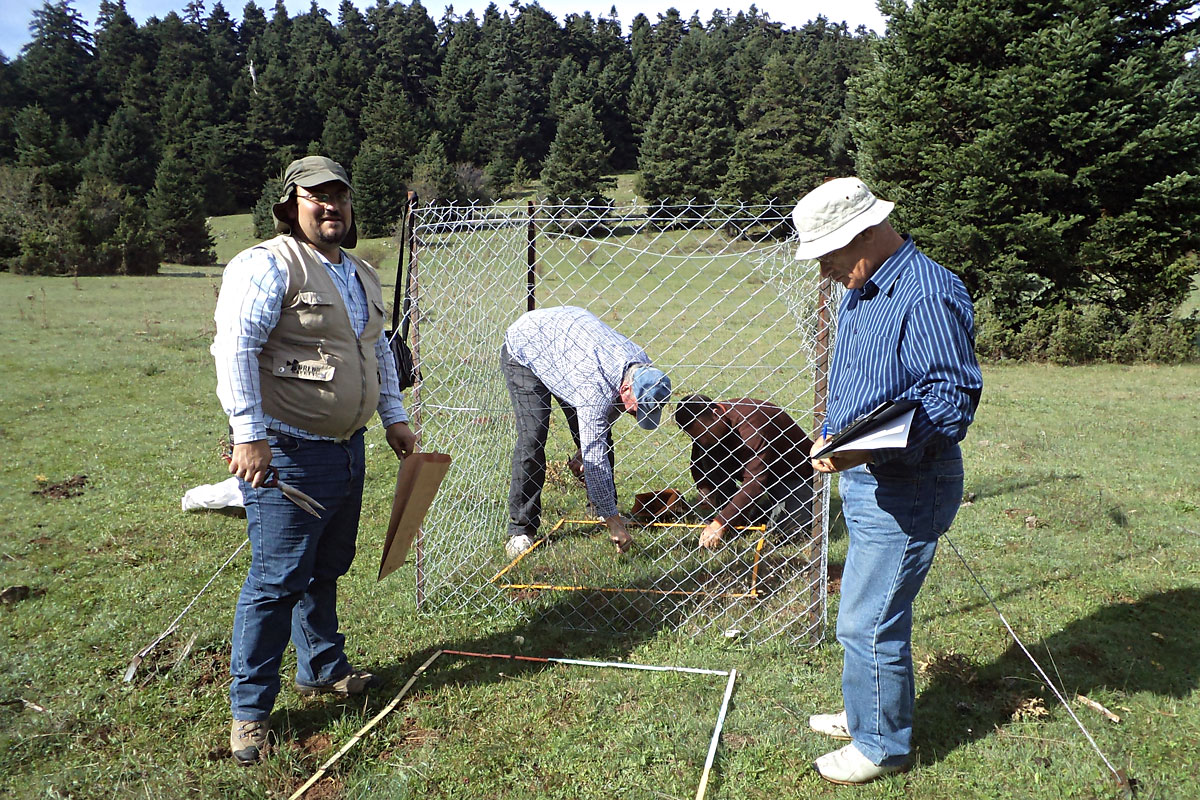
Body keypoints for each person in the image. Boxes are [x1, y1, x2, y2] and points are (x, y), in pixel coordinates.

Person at [211, 156, 416, 765]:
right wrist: (248, 436)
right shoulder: (266, 264)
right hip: (286, 450)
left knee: (326, 566)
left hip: (346, 449)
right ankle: (249, 714)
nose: (330, 207)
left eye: (340, 197)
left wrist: (394, 416)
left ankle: (322, 669)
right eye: (316, 197)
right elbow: (236, 349)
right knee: (277, 581)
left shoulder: (360, 272)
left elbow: (376, 349)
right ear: (290, 205)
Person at [794, 177, 983, 785]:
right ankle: (864, 712)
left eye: (828, 255)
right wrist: (833, 433)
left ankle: (882, 746)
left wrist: (860, 450)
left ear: (865, 235)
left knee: (869, 620)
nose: (824, 270)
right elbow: (856, 381)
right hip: (867, 476)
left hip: (908, 485)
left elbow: (950, 401)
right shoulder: (861, 286)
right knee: (861, 608)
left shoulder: (925, 292)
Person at [501, 306, 672, 557]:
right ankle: (521, 529)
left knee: (594, 439)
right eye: (638, 410)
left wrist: (586, 447)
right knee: (533, 437)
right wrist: (615, 523)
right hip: (528, 348)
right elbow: (595, 452)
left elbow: (606, 416)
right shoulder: (595, 387)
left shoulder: (642, 367)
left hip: (569, 354)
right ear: (626, 390)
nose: (636, 416)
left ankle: (601, 507)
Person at [673, 394, 814, 549]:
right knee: (709, 450)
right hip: (753, 468)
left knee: (788, 534)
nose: (703, 441)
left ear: (716, 414)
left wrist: (720, 523)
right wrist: (705, 488)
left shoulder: (753, 423)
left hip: (792, 473)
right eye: (697, 438)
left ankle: (744, 513)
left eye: (704, 435)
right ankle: (738, 514)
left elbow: (755, 483)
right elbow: (698, 458)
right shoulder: (706, 428)